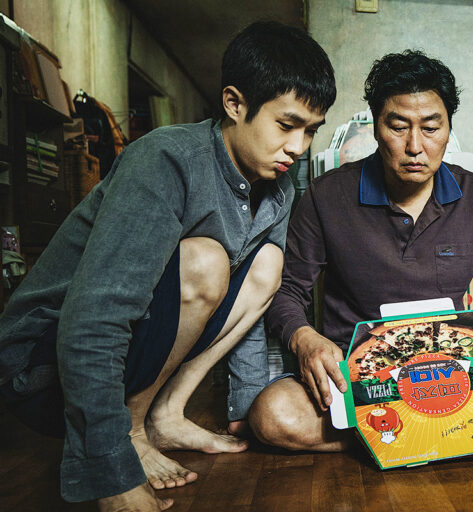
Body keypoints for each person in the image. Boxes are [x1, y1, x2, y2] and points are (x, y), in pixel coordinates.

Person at [0, 22, 335, 510]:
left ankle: (165, 415)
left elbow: (256, 304)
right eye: (287, 126)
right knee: (205, 260)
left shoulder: (277, 185)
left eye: (311, 130)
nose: (298, 147)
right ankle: (131, 430)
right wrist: (111, 473)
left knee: (267, 263)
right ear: (235, 103)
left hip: (131, 360)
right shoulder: (164, 160)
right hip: (42, 369)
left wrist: (245, 407)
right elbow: (92, 321)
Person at [247, 50, 473, 449]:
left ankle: (395, 433)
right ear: (376, 127)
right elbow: (288, 291)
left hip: (454, 368)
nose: (415, 146)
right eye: (399, 127)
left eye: (431, 128)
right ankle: (468, 425)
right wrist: (304, 339)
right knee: (273, 414)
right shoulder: (326, 196)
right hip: (363, 375)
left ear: (449, 129)